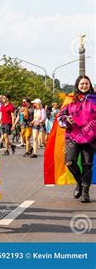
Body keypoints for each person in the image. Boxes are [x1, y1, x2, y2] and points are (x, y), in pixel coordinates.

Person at [57, 75, 95, 203]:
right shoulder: (70, 100)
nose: (84, 86)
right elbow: (60, 117)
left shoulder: (94, 100)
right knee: (69, 162)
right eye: (82, 84)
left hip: (91, 138)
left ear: (90, 85)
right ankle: (79, 182)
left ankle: (85, 192)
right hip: (72, 137)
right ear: (77, 85)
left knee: (87, 165)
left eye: (86, 83)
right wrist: (66, 119)